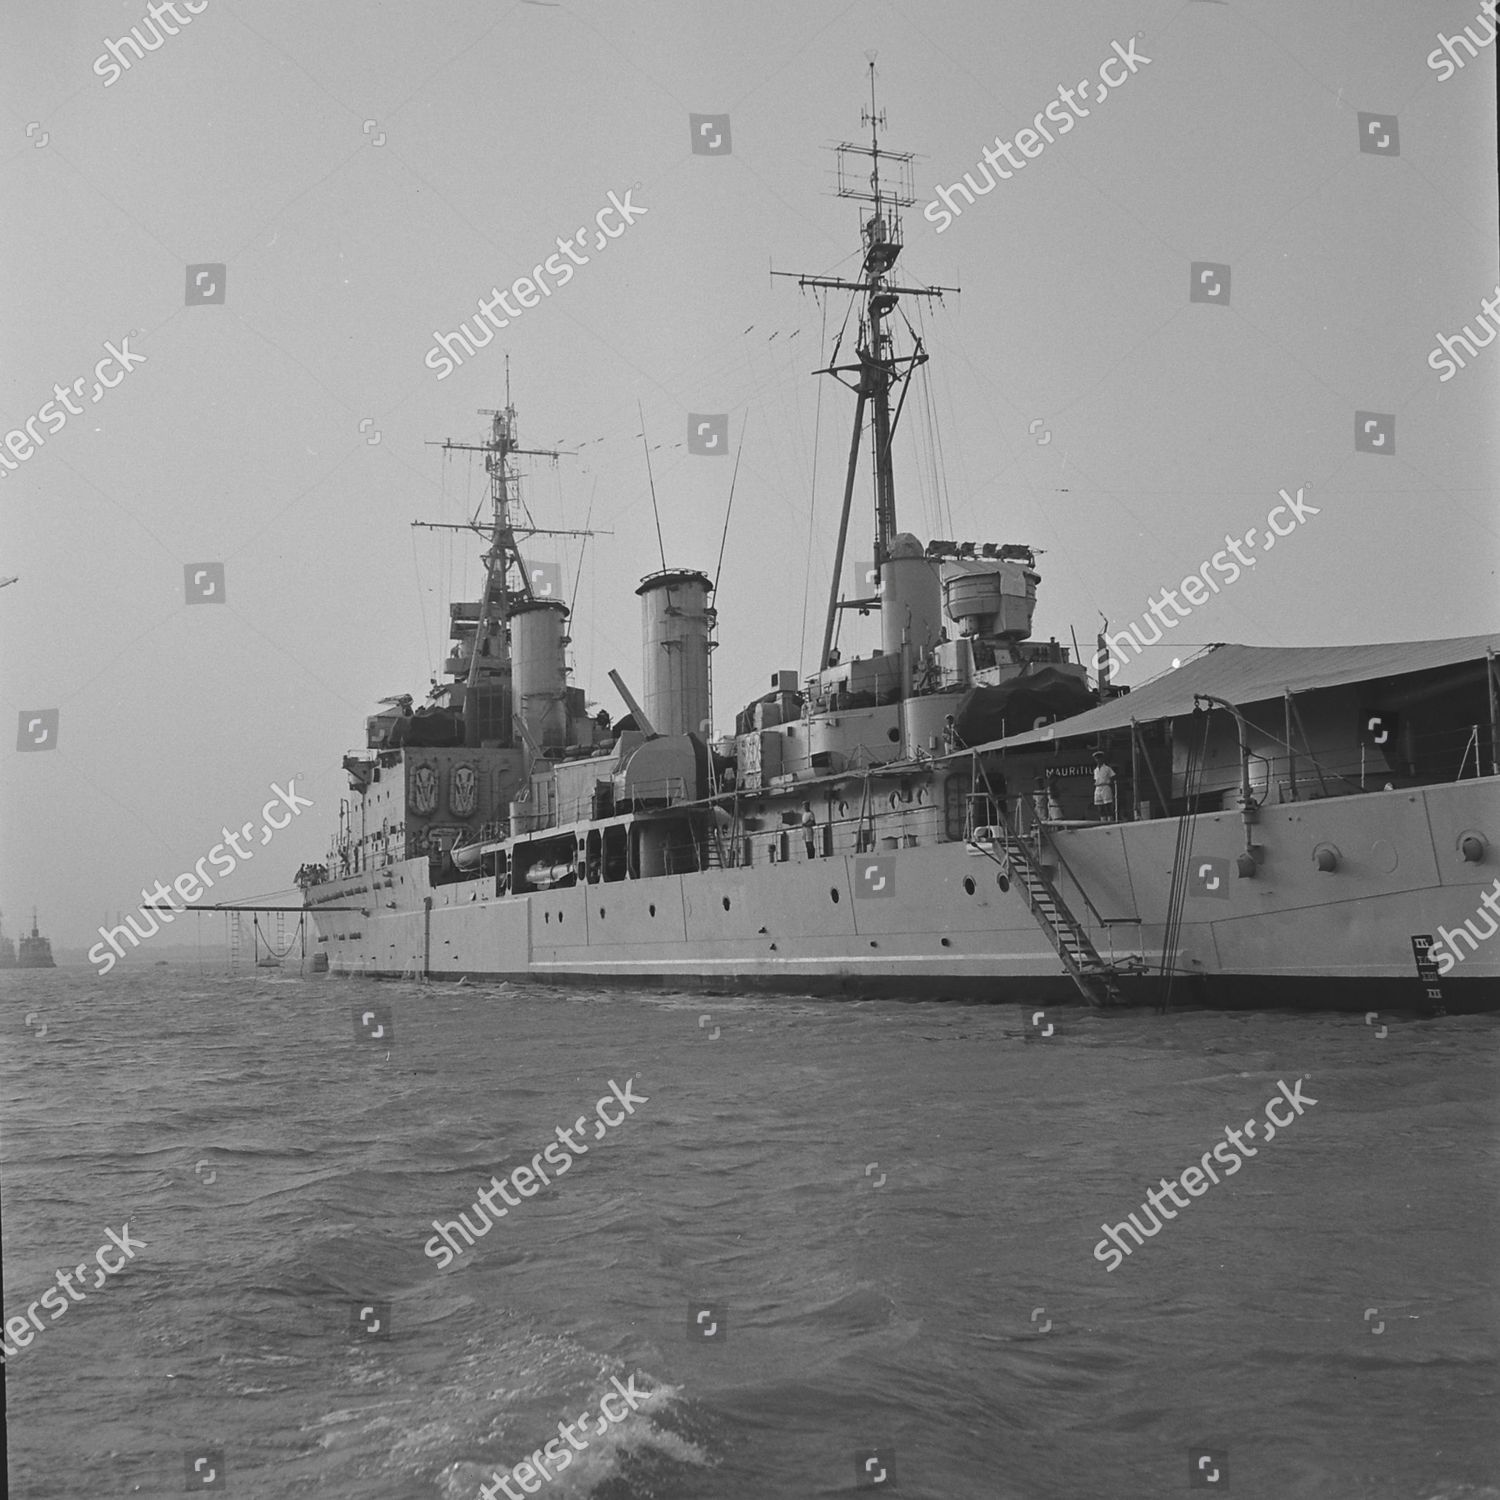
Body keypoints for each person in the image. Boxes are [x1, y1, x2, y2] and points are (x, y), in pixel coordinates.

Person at [1092, 751, 1116, 821]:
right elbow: (1095, 779)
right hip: (1098, 788)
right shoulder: (1095, 770)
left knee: (1108, 805)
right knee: (1099, 805)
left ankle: (1110, 820)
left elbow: (1113, 776)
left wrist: (1109, 782)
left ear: (1102, 759)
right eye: (1096, 758)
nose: (1098, 760)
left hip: (1105, 786)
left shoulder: (1107, 768)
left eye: (1099, 758)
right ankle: (1102, 820)